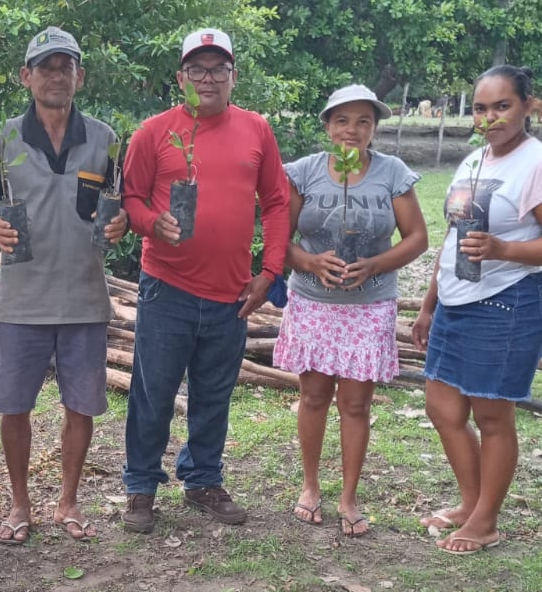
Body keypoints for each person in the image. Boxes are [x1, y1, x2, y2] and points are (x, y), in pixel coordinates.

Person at [121, 28, 290, 532]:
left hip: (233, 292)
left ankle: (203, 479)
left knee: (214, 393)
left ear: (233, 76)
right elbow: (130, 200)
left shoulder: (256, 129)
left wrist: (270, 271)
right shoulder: (155, 132)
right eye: (198, 68)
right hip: (166, 286)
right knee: (153, 391)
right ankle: (141, 487)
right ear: (181, 77)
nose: (209, 78)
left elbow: (277, 202)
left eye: (219, 68)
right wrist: (154, 223)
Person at [0, 27, 127, 543]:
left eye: (66, 66)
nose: (57, 75)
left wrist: (122, 222)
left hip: (84, 295)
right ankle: (19, 505)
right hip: (22, 299)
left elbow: (119, 206)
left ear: (80, 76)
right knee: (15, 406)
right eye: (46, 66)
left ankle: (68, 501)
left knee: (80, 405)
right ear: (26, 77)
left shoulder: (105, 140)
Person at [273, 84, 428, 536]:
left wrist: (376, 265)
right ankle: (309, 486)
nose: (352, 130)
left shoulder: (392, 173)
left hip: (368, 305)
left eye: (364, 121)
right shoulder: (303, 172)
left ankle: (349, 495)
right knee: (314, 396)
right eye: (342, 120)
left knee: (356, 404)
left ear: (375, 128)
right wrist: (309, 261)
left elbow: (417, 237)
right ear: (327, 126)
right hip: (313, 302)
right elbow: (279, 237)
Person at [413, 64, 542, 554]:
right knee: (442, 408)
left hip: (506, 303)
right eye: (481, 108)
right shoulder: (473, 162)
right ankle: (471, 502)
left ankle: (486, 520)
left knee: (492, 416)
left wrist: (504, 250)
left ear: (528, 105)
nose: (490, 118)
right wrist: (429, 305)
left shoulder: (535, 163)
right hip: (454, 300)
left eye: (502, 106)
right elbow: (453, 239)